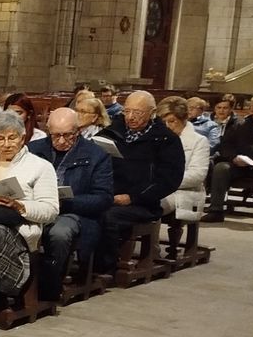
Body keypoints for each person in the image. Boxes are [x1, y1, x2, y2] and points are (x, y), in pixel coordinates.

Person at [0, 110, 59, 303]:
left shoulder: (40, 167)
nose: (6, 144)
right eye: (0, 139)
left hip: (20, 230)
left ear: (23, 138)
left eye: (12, 138)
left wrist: (20, 206)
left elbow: (51, 209)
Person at [27, 107, 113, 298]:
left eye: (68, 135)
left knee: (59, 233)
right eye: (55, 135)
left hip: (72, 212)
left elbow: (103, 198)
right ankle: (19, 283)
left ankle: (48, 288)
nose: (61, 141)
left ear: (78, 131)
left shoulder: (96, 155)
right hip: (36, 207)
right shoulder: (34, 149)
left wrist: (66, 202)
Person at [98, 90, 184, 272]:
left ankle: (105, 267)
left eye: (137, 113)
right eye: (127, 111)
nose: (130, 117)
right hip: (108, 194)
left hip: (142, 203)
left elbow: (169, 180)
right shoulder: (112, 132)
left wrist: (132, 197)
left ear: (152, 113)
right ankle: (84, 262)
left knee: (107, 217)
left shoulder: (166, 139)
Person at [157, 95, 210, 223]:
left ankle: (152, 243)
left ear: (184, 119)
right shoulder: (157, 138)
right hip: (155, 186)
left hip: (182, 192)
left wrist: (165, 181)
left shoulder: (199, 141)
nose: (167, 126)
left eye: (172, 121)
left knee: (152, 205)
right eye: (164, 122)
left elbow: (197, 175)